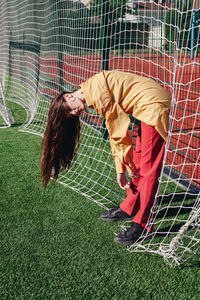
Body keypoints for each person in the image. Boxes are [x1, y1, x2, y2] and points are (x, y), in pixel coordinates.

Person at [41, 70, 171, 245]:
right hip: (145, 103)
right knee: (139, 161)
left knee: (148, 167)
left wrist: (121, 170)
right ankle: (131, 206)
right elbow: (115, 131)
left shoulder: (95, 94)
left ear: (69, 97)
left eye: (70, 111)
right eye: (70, 115)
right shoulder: (91, 90)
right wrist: (123, 167)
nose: (74, 114)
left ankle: (143, 224)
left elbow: (118, 133)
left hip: (151, 103)